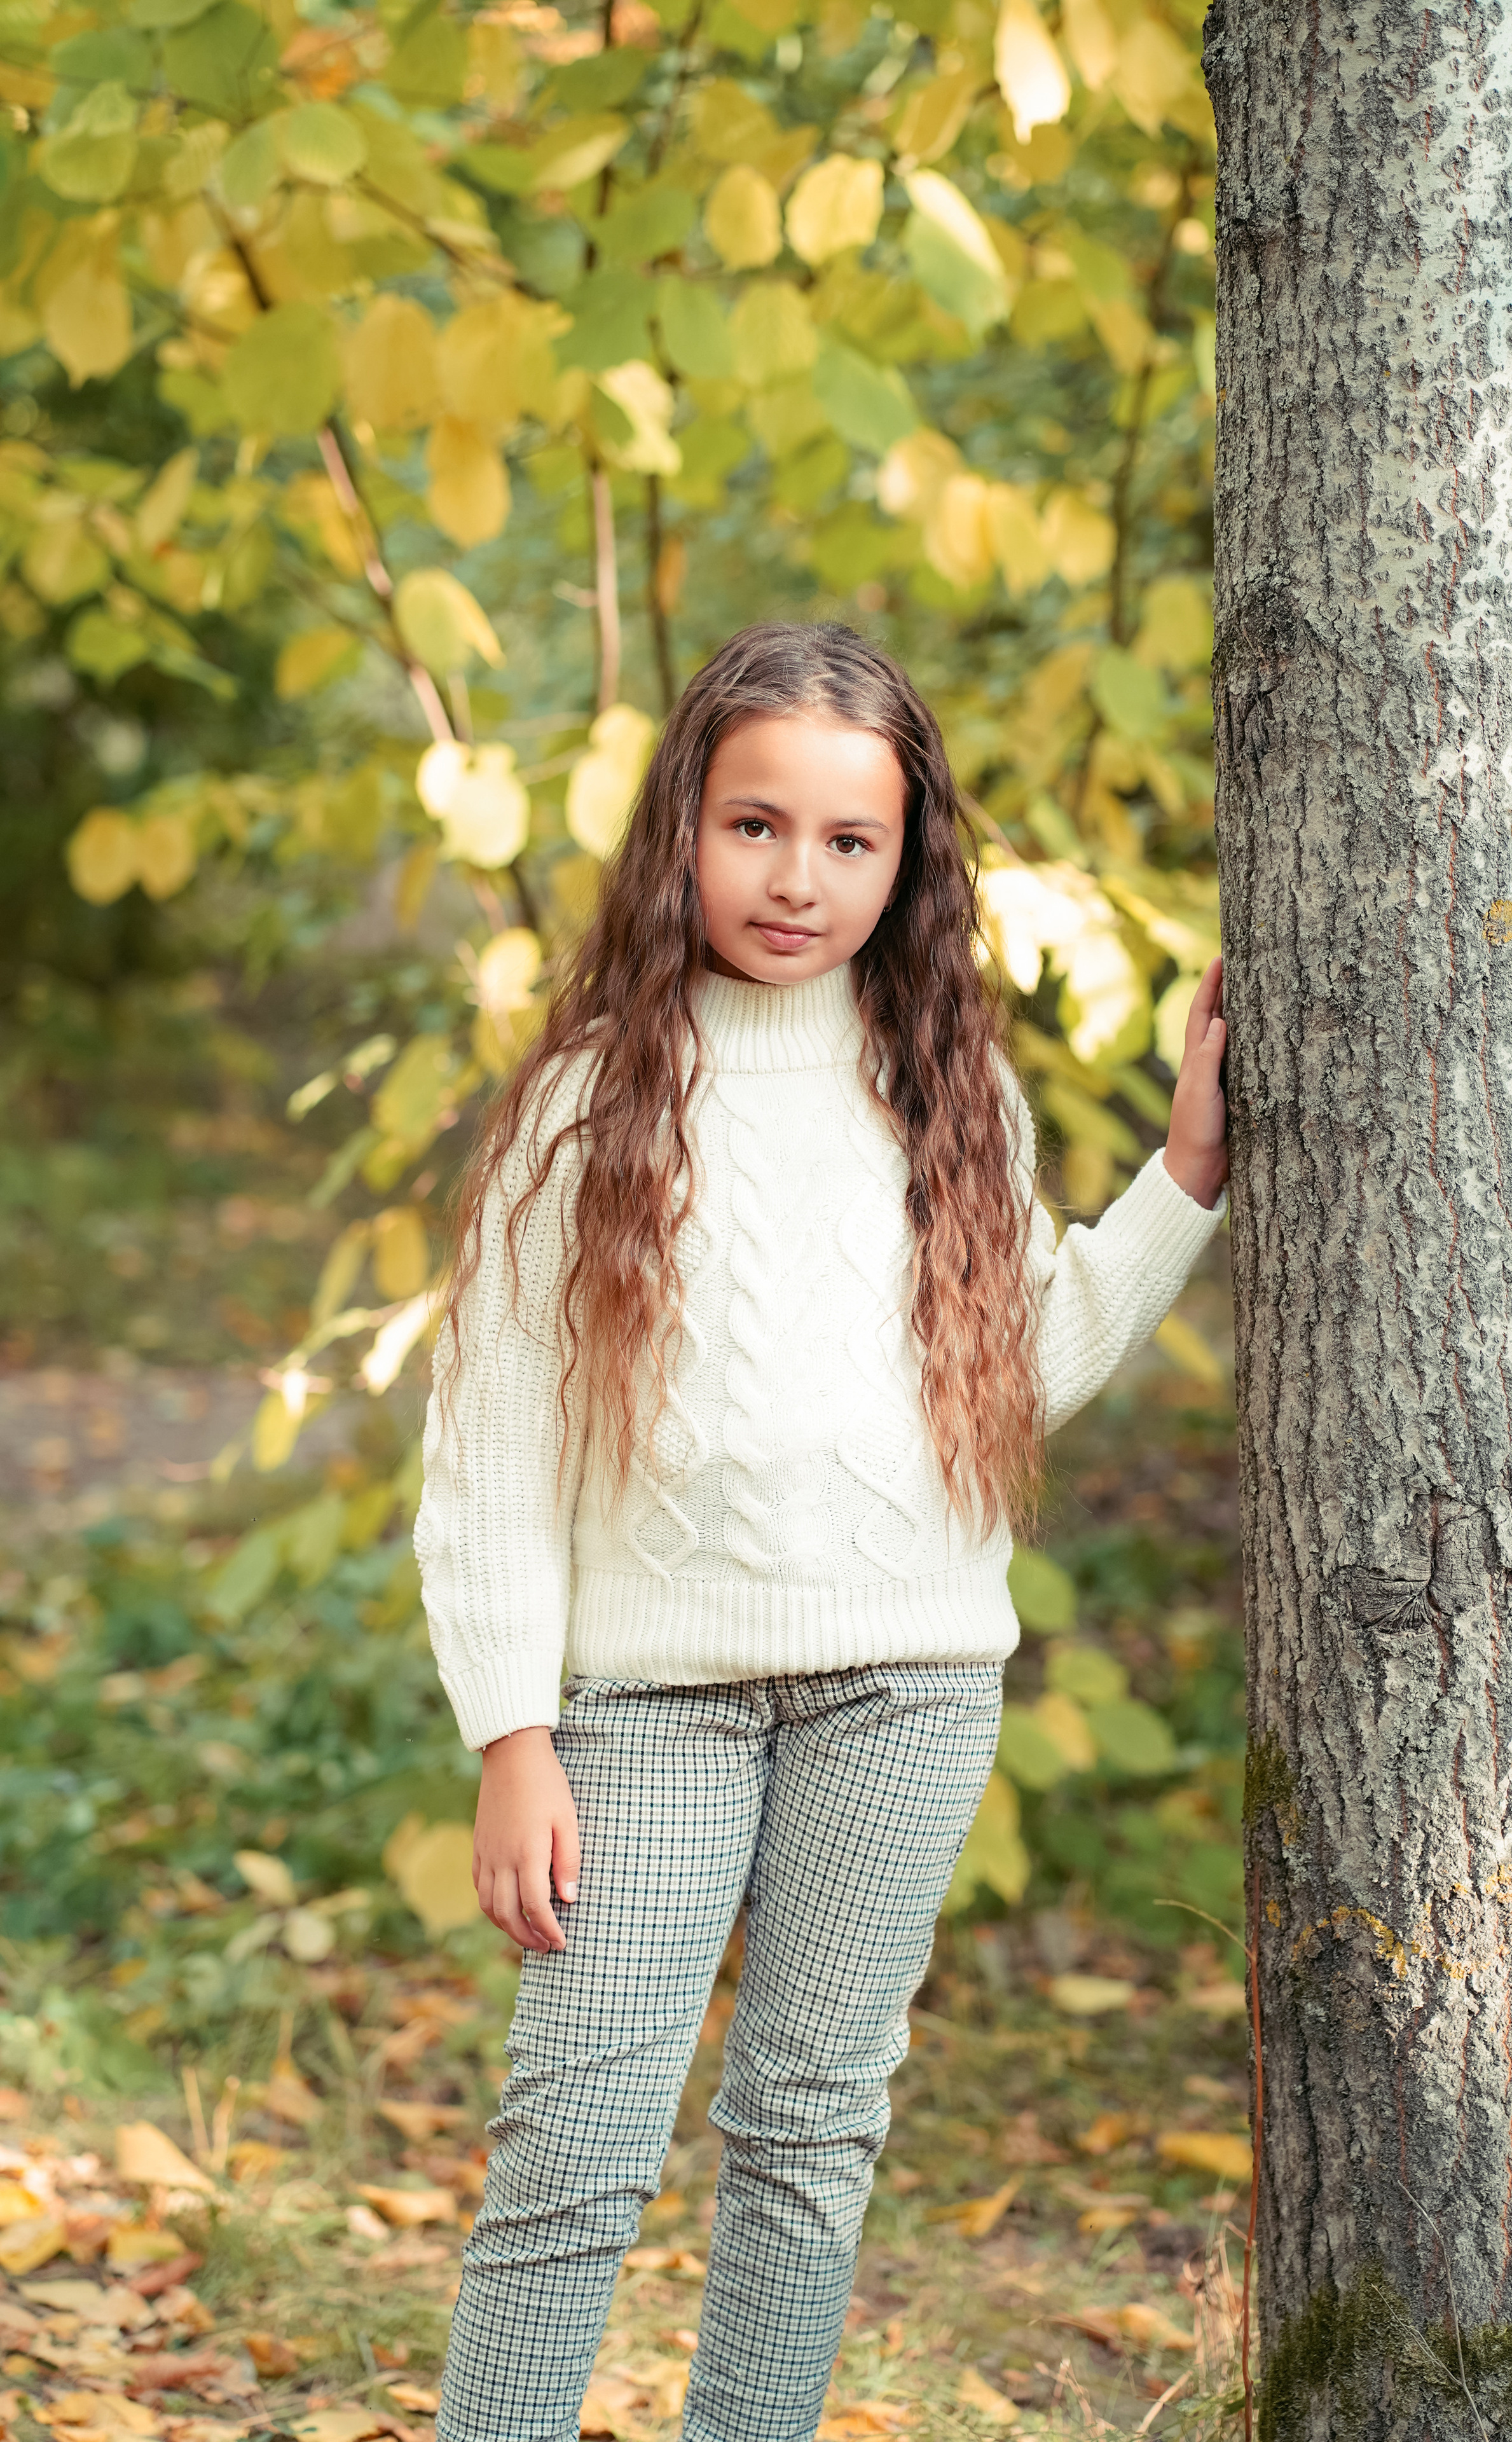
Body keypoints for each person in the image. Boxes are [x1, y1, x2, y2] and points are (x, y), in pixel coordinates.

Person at [416, 620, 1228, 2442]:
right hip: (653, 1711)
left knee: (810, 2130)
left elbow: (1031, 1361)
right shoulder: (587, 1102)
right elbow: (489, 1454)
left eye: (849, 843)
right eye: (755, 826)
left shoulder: (946, 1090)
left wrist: (1181, 1181)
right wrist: (513, 1735)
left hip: (912, 1692)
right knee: (579, 2145)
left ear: (907, 861)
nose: (799, 878)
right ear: (681, 835)